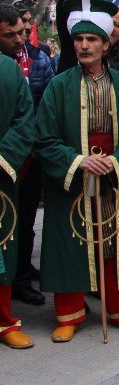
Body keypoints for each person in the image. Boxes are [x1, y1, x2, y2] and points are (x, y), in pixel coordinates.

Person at [35, 0, 119, 342]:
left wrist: (113, 162)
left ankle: (118, 308)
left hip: (112, 176)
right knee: (71, 240)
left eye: (92, 39)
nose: (84, 46)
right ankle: (69, 312)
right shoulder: (59, 85)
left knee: (113, 241)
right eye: (79, 40)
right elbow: (44, 136)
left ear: (105, 43)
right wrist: (80, 161)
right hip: (75, 173)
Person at [0, 3, 55, 307]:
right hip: (6, 157)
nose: (19, 40)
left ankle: (20, 279)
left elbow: (37, 112)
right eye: (10, 35)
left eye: (22, 33)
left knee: (22, 223)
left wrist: (23, 150)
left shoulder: (39, 61)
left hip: (28, 159)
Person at [0, 56, 37, 348]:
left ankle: (3, 320)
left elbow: (25, 120)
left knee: (3, 245)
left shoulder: (9, 69)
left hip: (1, 172)